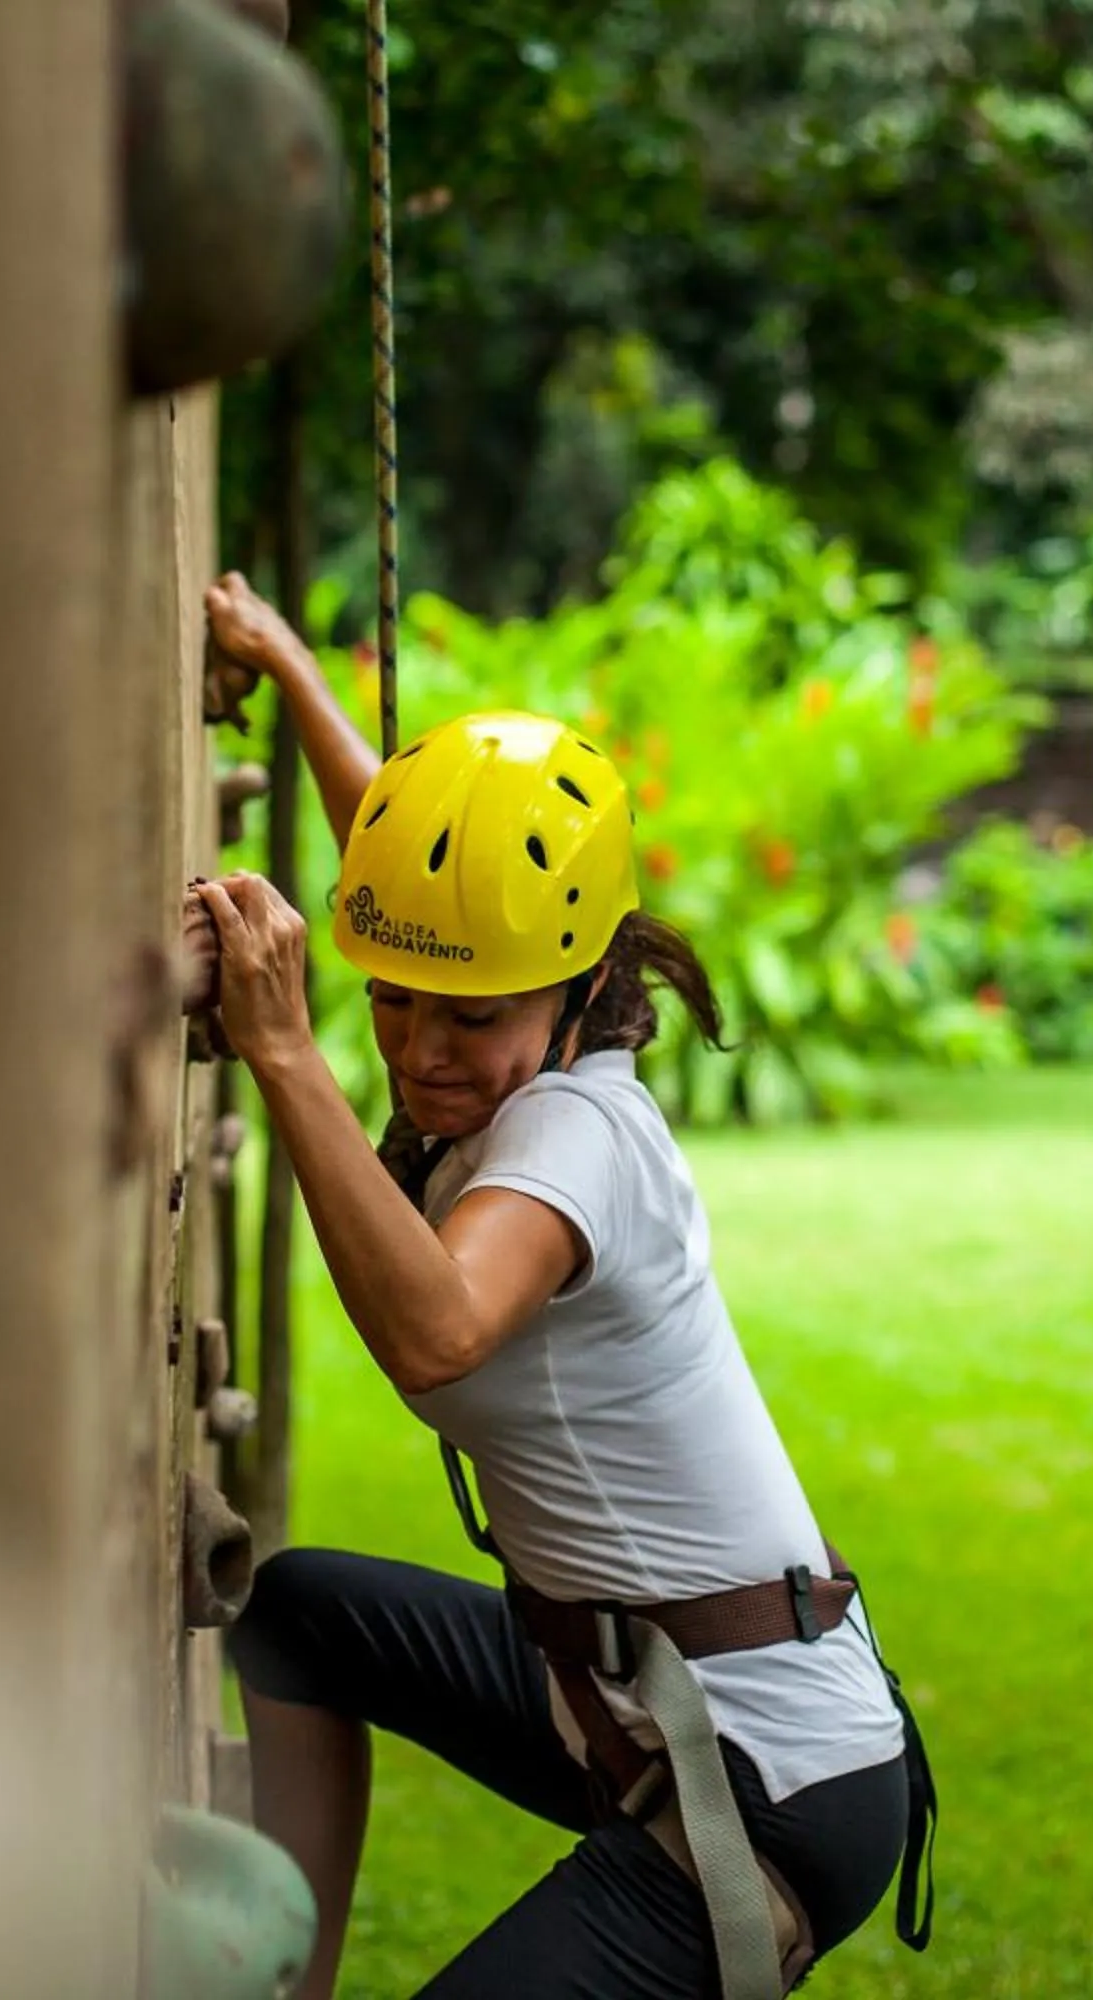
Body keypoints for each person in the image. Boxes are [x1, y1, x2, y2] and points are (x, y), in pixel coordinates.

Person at [190, 573, 934, 2000]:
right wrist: (287, 661)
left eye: (472, 1019)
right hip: (617, 1693)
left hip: (766, 1782)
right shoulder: (511, 1010)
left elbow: (437, 1331)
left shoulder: (578, 1139)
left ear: (578, 987)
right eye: (387, 1002)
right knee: (297, 1614)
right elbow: (416, 896)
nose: (420, 1051)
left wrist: (289, 1053)